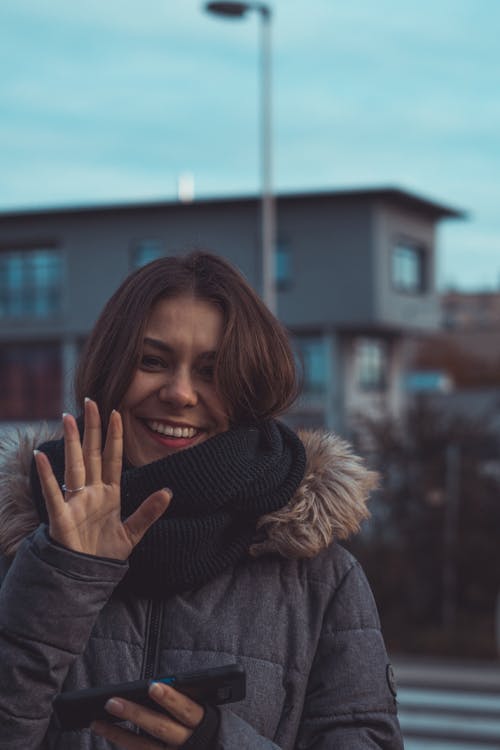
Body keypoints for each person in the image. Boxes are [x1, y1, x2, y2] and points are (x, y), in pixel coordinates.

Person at [0, 251, 403, 749]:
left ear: (247, 391)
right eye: (151, 361)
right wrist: (63, 575)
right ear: (109, 370)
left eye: (212, 371)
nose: (181, 393)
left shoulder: (319, 577)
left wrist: (220, 742)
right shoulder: (20, 551)